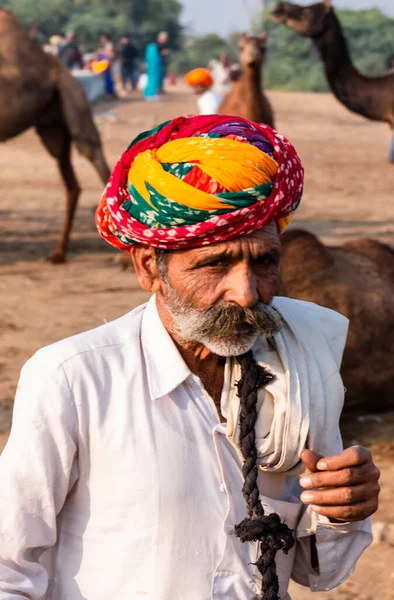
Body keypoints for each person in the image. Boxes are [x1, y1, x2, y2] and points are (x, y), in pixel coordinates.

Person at [0, 115, 379, 600]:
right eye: (215, 263)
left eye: (264, 262)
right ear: (147, 268)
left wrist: (342, 511)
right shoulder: (74, 380)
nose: (246, 293)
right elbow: (10, 567)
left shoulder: (302, 364)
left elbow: (318, 572)